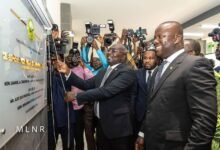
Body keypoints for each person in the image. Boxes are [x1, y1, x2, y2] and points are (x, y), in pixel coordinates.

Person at [135, 21, 217, 150]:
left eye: (160, 36)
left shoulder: (195, 64)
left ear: (177, 38)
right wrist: (143, 132)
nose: (155, 41)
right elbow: (151, 108)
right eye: (155, 37)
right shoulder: (158, 69)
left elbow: (204, 119)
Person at [58, 43, 136, 150]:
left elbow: (106, 91)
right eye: (109, 50)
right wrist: (68, 72)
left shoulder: (127, 72)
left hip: (118, 129)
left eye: (114, 51)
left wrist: (76, 96)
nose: (109, 52)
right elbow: (86, 85)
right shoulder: (104, 71)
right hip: (102, 125)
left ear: (123, 55)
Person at [48, 53, 75, 150]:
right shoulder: (46, 75)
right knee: (50, 145)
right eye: (51, 60)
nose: (53, 62)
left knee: (68, 145)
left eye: (56, 60)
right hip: (51, 117)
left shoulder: (66, 74)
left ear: (62, 61)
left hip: (66, 115)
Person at [134, 47, 158, 137]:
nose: (147, 61)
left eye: (151, 58)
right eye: (145, 58)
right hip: (138, 117)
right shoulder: (137, 73)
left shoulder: (162, 74)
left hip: (155, 118)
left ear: (157, 59)